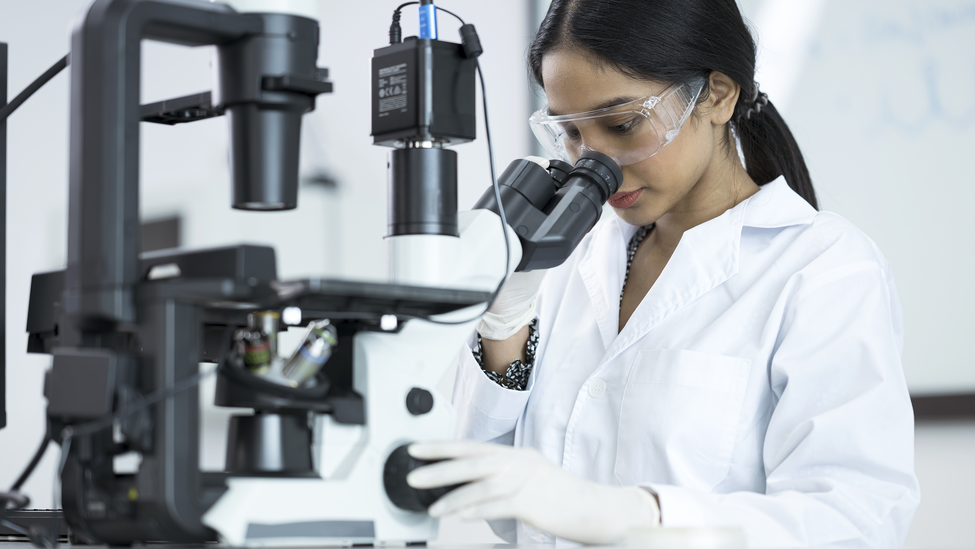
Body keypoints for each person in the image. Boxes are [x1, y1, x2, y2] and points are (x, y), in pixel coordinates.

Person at [405, 0, 920, 546]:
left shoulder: (822, 269)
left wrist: (636, 516)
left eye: (623, 124)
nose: (595, 162)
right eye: (572, 133)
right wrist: (503, 326)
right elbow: (497, 501)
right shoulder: (571, 258)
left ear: (717, 95)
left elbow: (855, 520)